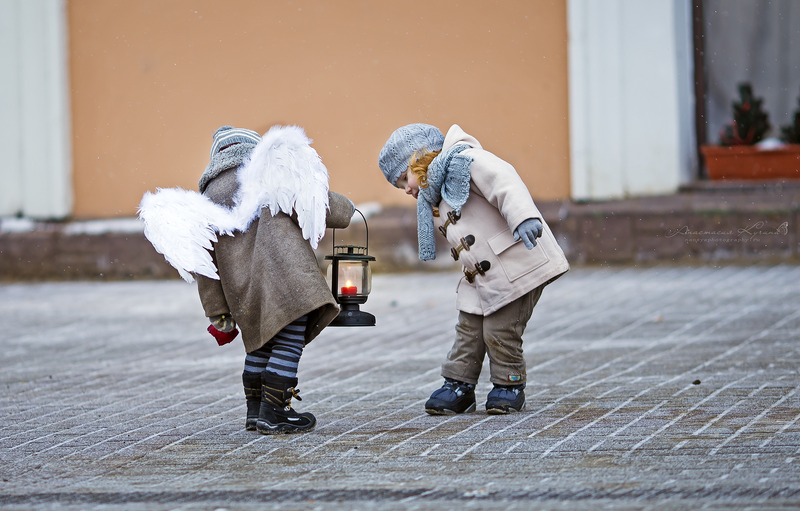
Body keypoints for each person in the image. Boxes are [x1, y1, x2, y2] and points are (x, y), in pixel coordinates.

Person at [140, 125, 354, 434]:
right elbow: (315, 201)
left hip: (243, 293)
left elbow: (204, 265)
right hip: (288, 279)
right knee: (289, 339)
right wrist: (347, 209)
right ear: (255, 150)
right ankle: (276, 411)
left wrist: (217, 311)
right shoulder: (268, 176)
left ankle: (255, 410)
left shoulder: (207, 200)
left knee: (259, 345)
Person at [378, 123, 569, 415]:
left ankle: (509, 385)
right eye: (400, 185)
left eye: (405, 178)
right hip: (482, 276)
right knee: (468, 329)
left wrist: (523, 217)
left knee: (500, 328)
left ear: (420, 158)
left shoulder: (467, 161)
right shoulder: (438, 190)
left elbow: (505, 181)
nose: (406, 189)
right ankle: (459, 385)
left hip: (517, 262)